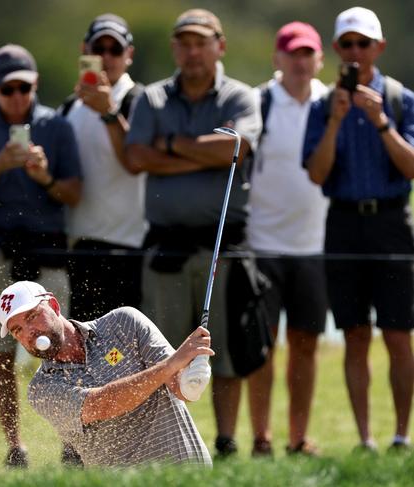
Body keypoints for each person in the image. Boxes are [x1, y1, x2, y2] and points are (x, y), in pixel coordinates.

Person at [125, 9, 261, 457]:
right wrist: (204, 152)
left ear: (219, 45)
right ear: (174, 48)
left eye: (201, 41)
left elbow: (236, 148)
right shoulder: (151, 98)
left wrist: (170, 146)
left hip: (223, 243)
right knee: (158, 354)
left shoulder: (241, 96)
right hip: (167, 243)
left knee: (223, 348)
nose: (192, 50)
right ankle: (164, 445)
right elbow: (136, 157)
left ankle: (225, 441)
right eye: (184, 42)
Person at [0, 44, 82, 467]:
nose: (17, 97)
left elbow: (75, 193)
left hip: (47, 246)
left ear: (35, 85)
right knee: (1, 351)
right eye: (9, 88)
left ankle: (72, 442)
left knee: (64, 347)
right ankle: (15, 446)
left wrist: (45, 177)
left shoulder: (59, 127)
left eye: (24, 88)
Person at [304, 7, 414, 451]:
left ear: (378, 48)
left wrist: (381, 122)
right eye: (347, 45)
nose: (355, 53)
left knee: (398, 333)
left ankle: (401, 436)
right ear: (336, 50)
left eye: (362, 44)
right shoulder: (323, 106)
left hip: (391, 222)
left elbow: (410, 166)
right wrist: (335, 121)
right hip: (344, 223)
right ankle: (366, 438)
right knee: (353, 333)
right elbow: (315, 173)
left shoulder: (400, 99)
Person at [0, 280, 214, 467]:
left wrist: (195, 371)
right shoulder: (41, 389)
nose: (29, 333)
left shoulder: (124, 323)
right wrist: (172, 363)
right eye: (18, 330)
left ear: (54, 305)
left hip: (189, 473)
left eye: (32, 316)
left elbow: (181, 389)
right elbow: (103, 404)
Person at [245, 21, 329, 457]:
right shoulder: (259, 102)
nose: (301, 61)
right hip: (262, 245)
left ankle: (299, 438)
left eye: (308, 53)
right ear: (278, 58)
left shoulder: (331, 101)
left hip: (314, 246)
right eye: (293, 53)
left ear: (319, 58)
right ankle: (262, 438)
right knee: (262, 347)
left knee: (307, 345)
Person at [63, 13, 147, 320]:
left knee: (123, 354)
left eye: (116, 49)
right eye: (100, 48)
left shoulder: (139, 99)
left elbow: (135, 162)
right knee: (82, 350)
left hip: (126, 246)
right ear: (85, 50)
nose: (107, 57)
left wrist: (109, 111)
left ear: (129, 55)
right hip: (78, 245)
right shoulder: (71, 106)